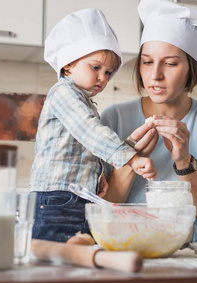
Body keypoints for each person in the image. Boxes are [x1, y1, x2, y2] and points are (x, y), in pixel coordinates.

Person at [101, 0, 197, 241]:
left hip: (190, 253)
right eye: (147, 61)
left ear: (192, 69)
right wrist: (131, 159)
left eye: (170, 63)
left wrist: (184, 161)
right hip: (127, 246)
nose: (155, 75)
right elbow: (102, 210)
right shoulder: (115, 117)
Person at [29, 8, 157, 243]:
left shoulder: (83, 100)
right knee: (56, 261)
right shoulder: (62, 93)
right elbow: (89, 131)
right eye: (95, 67)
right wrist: (132, 158)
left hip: (77, 198)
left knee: (76, 259)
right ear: (68, 65)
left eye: (109, 72)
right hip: (58, 200)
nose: (103, 78)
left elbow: (85, 148)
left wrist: (129, 146)